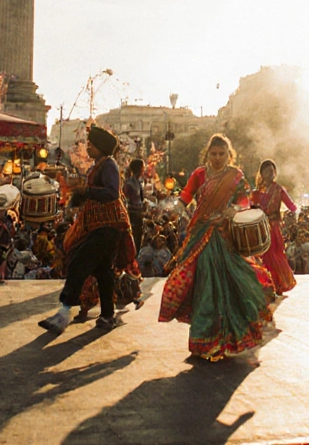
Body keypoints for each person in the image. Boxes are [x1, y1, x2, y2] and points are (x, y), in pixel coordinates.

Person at [158, 134, 274, 361]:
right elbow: (185, 196)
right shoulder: (199, 174)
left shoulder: (235, 176)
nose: (218, 158)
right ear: (207, 154)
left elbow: (244, 201)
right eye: (214, 154)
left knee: (229, 283)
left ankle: (222, 339)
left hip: (225, 236)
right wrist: (177, 208)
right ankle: (205, 339)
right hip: (201, 234)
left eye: (222, 154)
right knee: (204, 285)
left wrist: (233, 209)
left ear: (229, 155)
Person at [40, 126, 141, 333]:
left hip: (107, 226)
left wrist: (86, 190)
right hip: (101, 225)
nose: (88, 147)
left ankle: (64, 312)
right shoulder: (99, 165)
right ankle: (107, 316)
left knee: (79, 263)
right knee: (103, 271)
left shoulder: (109, 165)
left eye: (91, 145)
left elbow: (112, 193)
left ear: (101, 147)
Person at [252, 159, 298, 295]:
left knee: (274, 255)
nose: (270, 174)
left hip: (273, 227)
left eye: (272, 171)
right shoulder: (256, 192)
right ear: (261, 173)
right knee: (263, 257)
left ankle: (279, 284)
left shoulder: (278, 189)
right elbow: (251, 208)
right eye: (267, 171)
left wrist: (290, 216)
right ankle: (265, 284)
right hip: (260, 228)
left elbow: (292, 206)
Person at [124, 158, 146, 250]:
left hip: (139, 215)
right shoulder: (129, 183)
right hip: (132, 215)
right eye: (143, 168)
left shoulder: (139, 183)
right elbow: (125, 200)